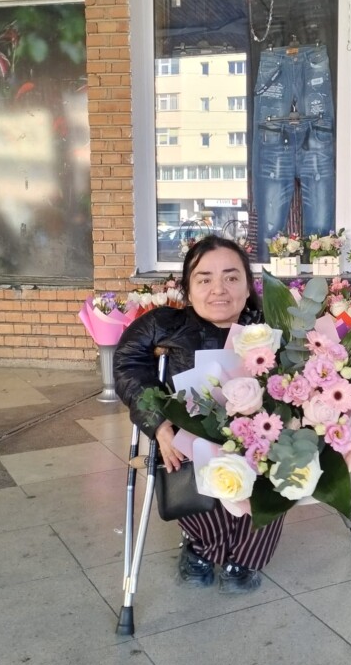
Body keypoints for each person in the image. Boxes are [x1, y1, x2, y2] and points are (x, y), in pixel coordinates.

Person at [113, 235, 286, 592]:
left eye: (231, 277)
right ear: (188, 290)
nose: (218, 289)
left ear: (248, 286)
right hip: (187, 438)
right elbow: (128, 363)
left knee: (278, 473)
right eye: (204, 279)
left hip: (258, 436)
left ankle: (245, 558)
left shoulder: (272, 326)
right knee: (186, 467)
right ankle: (201, 547)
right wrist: (158, 424)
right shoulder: (166, 324)